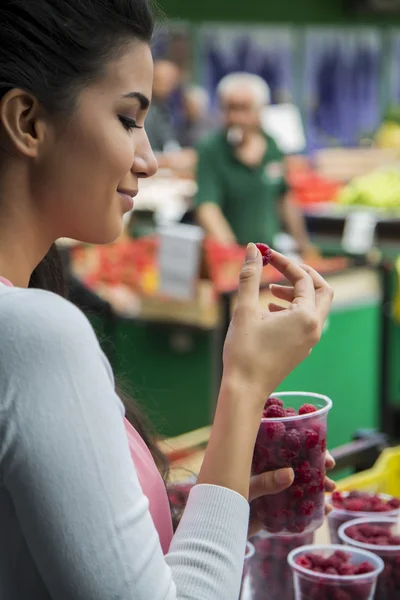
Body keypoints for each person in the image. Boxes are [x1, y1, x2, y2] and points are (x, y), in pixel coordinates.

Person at [0, 1, 334, 599]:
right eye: (128, 120)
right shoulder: (33, 333)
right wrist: (245, 384)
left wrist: (215, 508)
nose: (150, 159)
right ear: (27, 122)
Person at [195, 73, 319, 259]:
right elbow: (207, 207)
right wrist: (233, 254)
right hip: (232, 256)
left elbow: (284, 198)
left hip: (268, 254)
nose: (236, 117)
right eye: (230, 109)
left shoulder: (272, 146)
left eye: (244, 109)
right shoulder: (212, 150)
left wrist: (303, 244)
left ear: (261, 109)